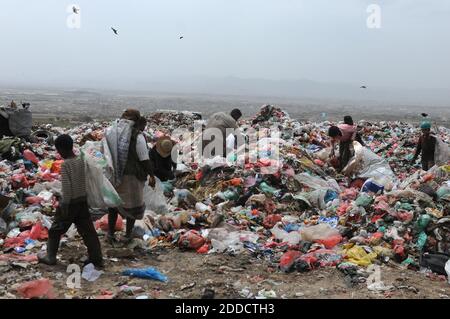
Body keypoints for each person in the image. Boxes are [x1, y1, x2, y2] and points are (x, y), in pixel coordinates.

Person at [38, 134, 103, 267]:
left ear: (61, 149)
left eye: (58, 150)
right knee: (88, 231)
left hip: (70, 203)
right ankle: (96, 258)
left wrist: (64, 205)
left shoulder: (66, 165)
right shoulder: (80, 160)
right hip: (82, 201)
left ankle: (50, 257)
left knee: (55, 230)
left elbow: (67, 189)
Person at [106, 111, 155, 244]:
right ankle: (127, 235)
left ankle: (110, 234)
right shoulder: (137, 136)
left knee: (114, 205)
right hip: (132, 176)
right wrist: (151, 174)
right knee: (133, 206)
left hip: (115, 174)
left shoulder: (112, 133)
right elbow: (144, 159)